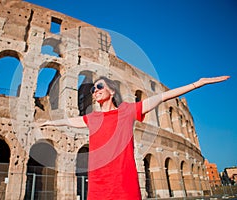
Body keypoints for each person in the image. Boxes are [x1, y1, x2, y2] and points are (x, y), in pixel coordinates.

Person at [40, 75, 230, 200]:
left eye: (99, 86)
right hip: (98, 186)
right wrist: (49, 123)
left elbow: (161, 98)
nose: (95, 90)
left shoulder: (127, 111)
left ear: (112, 91)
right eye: (93, 89)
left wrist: (198, 83)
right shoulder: (93, 118)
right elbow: (71, 121)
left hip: (125, 185)